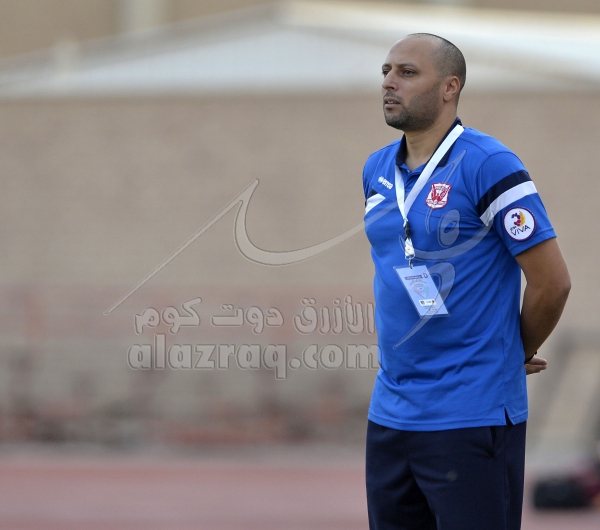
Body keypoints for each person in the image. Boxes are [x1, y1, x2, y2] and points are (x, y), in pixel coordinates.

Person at [363, 33, 571, 530]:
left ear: (449, 87)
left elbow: (552, 283)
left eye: (407, 72)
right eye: (387, 71)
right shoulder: (376, 169)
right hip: (391, 414)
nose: (390, 82)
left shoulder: (488, 164)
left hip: (470, 413)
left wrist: (515, 350)